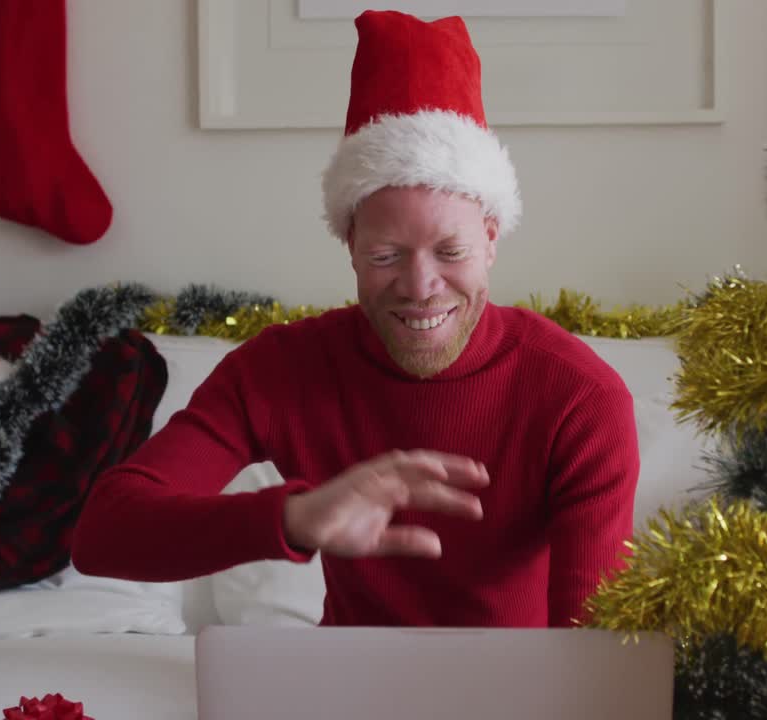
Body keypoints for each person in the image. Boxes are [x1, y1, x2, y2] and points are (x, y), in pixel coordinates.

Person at [71, 9, 640, 628]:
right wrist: (296, 517)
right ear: (350, 245)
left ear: (492, 239)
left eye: (450, 252)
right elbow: (103, 534)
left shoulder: (580, 397)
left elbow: (595, 656)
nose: (421, 287)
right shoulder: (281, 370)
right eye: (385, 255)